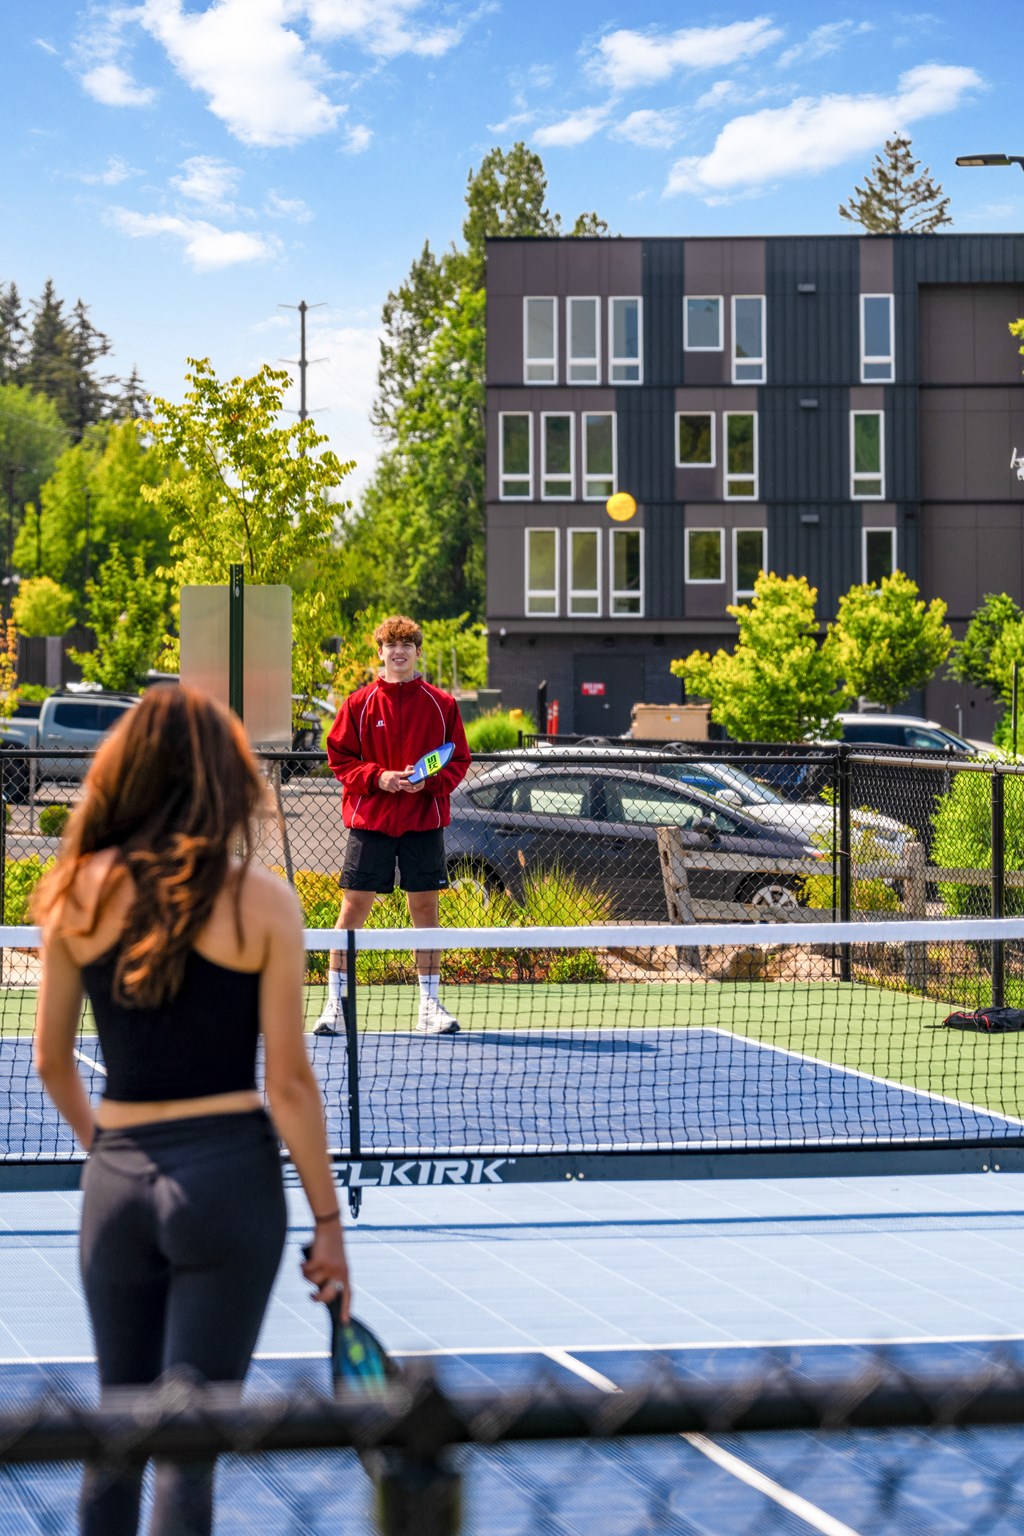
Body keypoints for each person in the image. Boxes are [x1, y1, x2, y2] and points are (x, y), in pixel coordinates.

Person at [33, 685, 349, 1536]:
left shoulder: (72, 893)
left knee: (114, 1439)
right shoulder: (265, 901)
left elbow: (51, 1063)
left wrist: (112, 1151)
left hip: (118, 1187)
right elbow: (289, 1083)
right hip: (229, 1183)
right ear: (223, 778)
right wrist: (329, 1222)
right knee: (189, 1453)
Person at [314, 615, 471, 1037]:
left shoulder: (443, 704)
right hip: (372, 824)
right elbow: (340, 759)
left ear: (418, 652)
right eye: (391, 645)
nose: (398, 651)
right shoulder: (357, 703)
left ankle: (429, 1007)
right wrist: (377, 777)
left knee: (426, 912)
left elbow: (457, 760)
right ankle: (334, 1007)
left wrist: (427, 781)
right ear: (380, 652)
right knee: (352, 911)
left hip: (423, 824)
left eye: (407, 645)